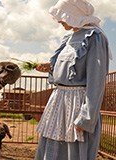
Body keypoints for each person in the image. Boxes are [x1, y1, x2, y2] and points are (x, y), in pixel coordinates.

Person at [34, 0, 111, 159]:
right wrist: (50, 67)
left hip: (76, 105)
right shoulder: (68, 38)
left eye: (64, 16)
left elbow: (96, 81)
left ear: (74, 15)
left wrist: (86, 118)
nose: (60, 20)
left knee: (72, 152)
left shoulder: (94, 37)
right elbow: (69, 70)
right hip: (58, 102)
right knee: (51, 148)